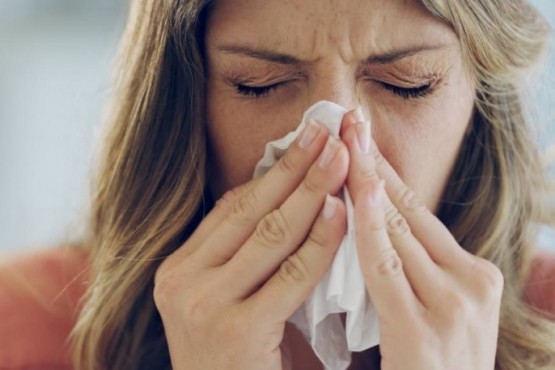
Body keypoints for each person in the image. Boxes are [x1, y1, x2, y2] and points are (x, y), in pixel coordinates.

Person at [1, 0, 555, 369]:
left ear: (481, 105)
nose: (337, 151)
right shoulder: (23, 325)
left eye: (405, 85)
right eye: (258, 86)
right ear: (183, 102)